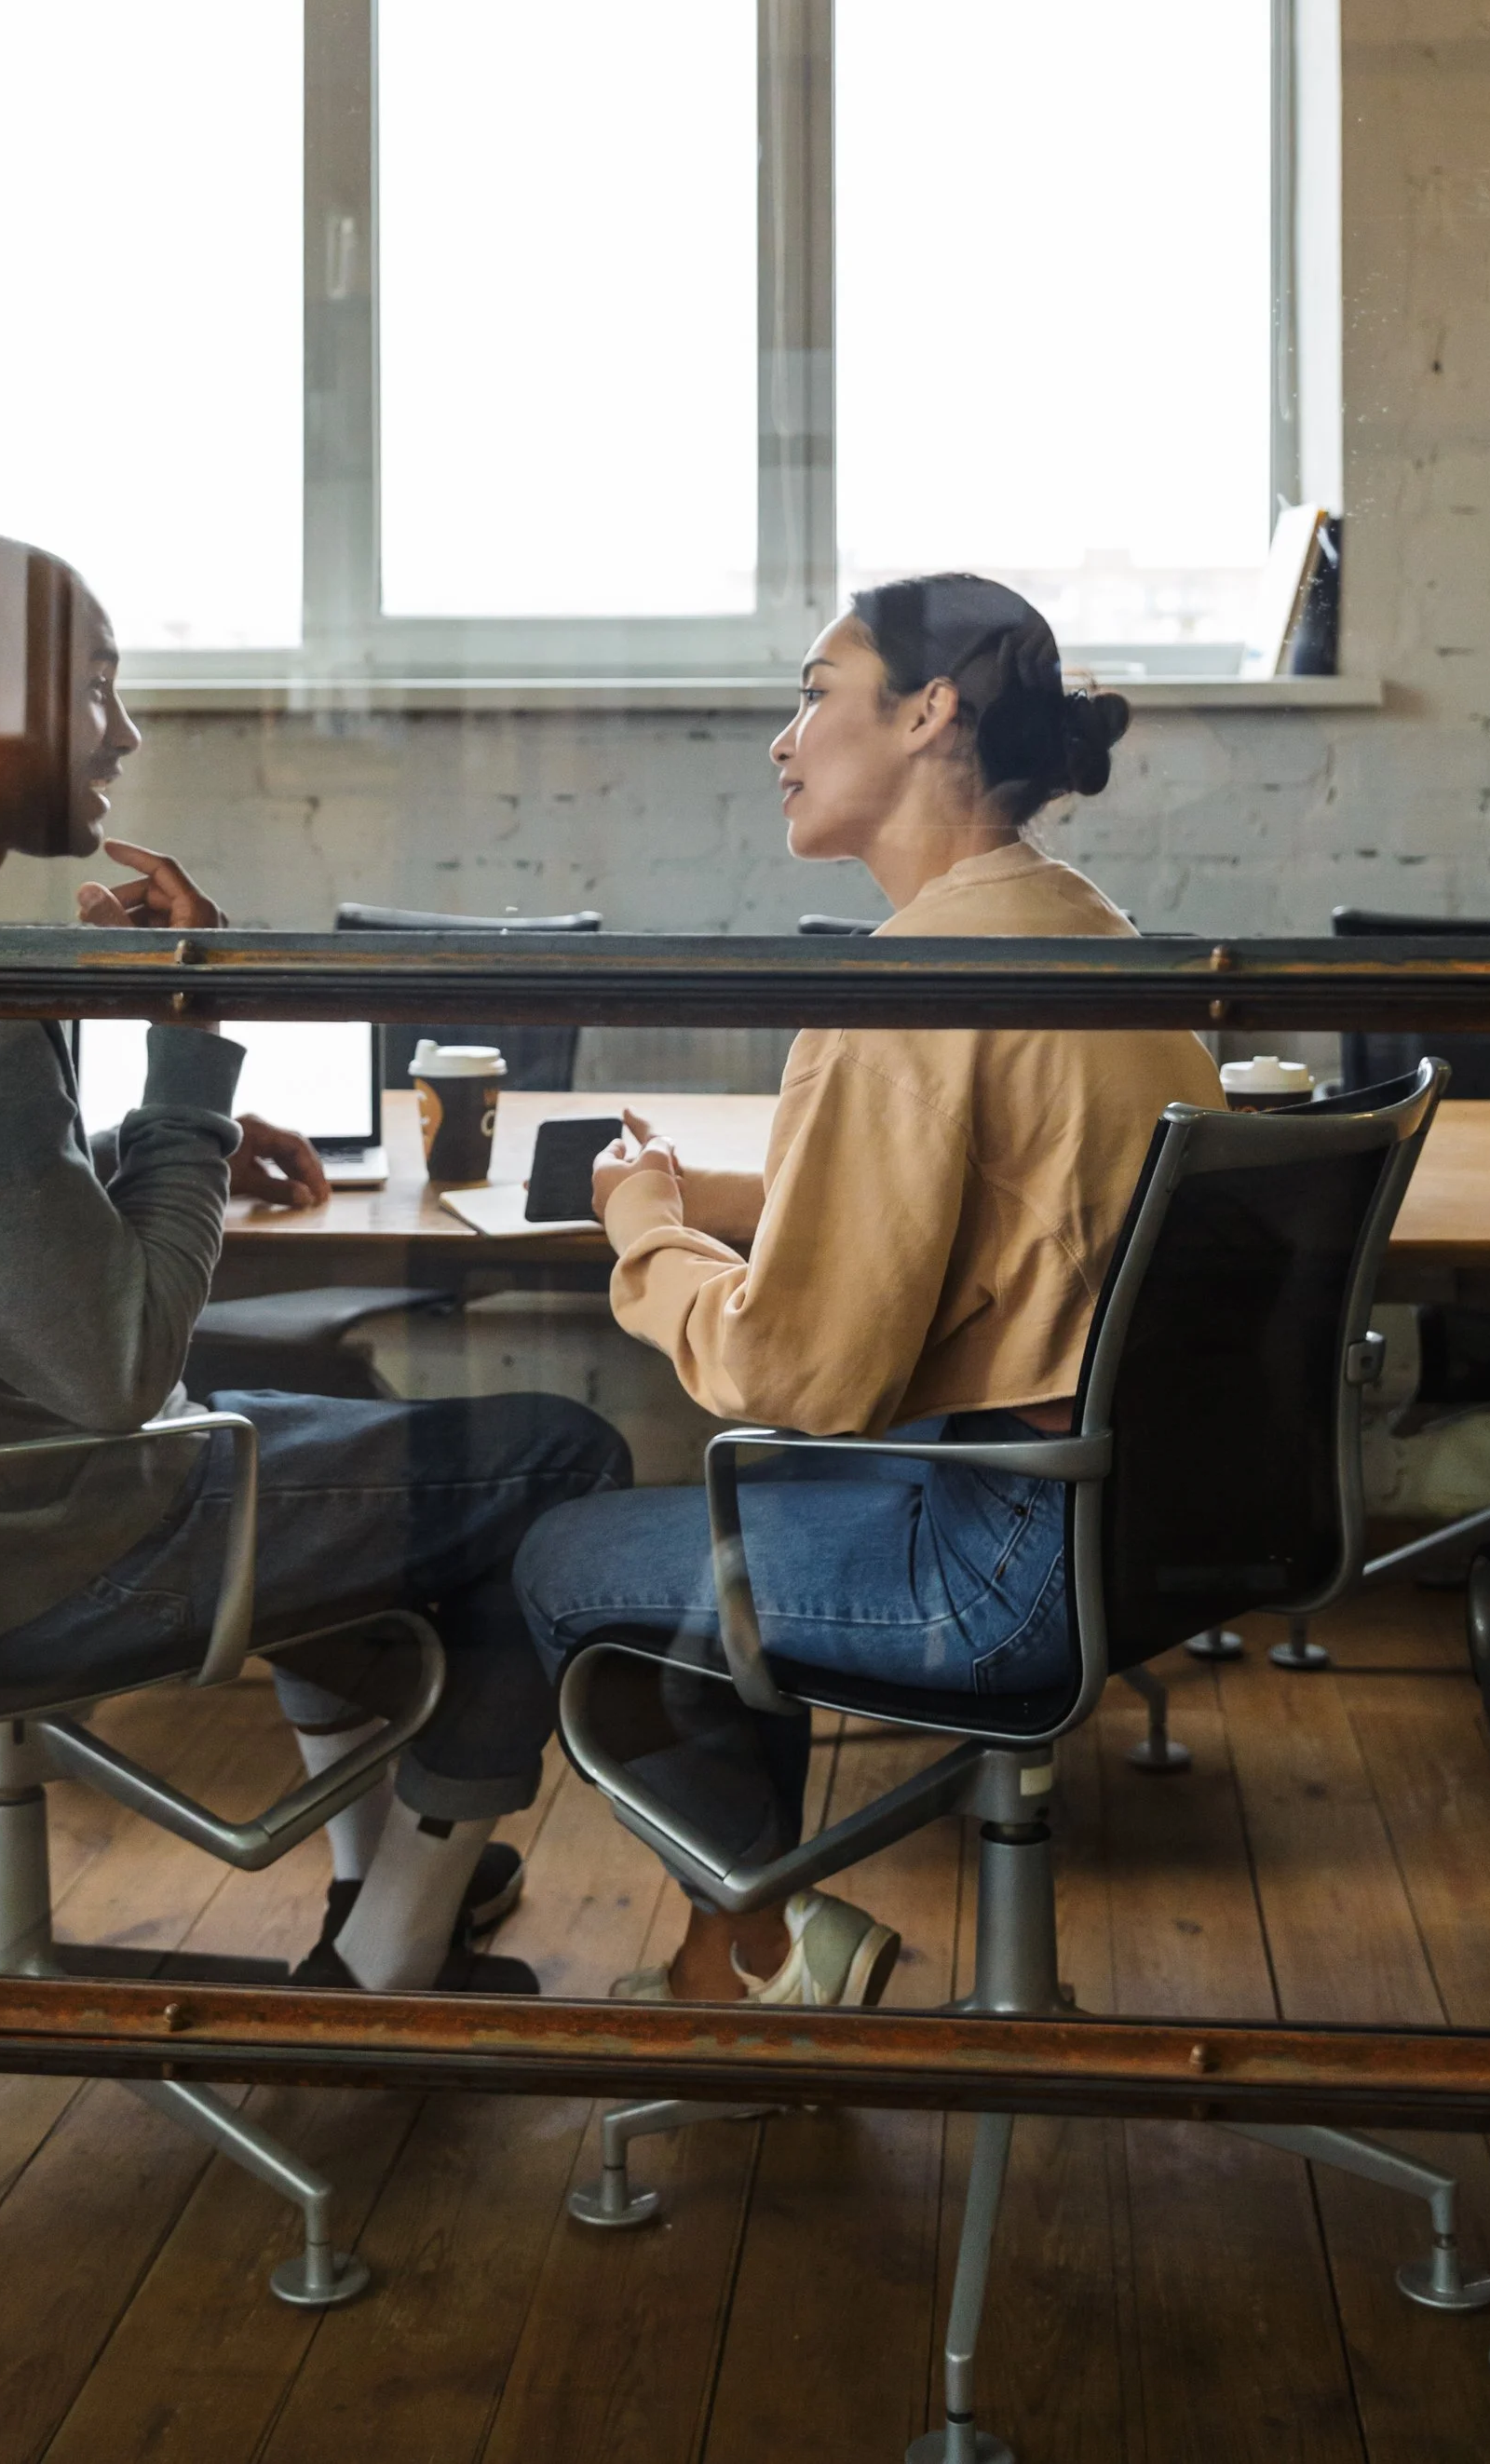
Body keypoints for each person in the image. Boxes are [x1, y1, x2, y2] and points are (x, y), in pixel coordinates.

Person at [0, 527, 629, 1994]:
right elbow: (123, 1366)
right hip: (24, 1553)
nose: (126, 732)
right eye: (98, 685)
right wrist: (185, 1058)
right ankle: (390, 1960)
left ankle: (385, 1886)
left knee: (341, 1414)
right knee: (553, 1457)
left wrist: (126, 1147)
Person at [512, 573, 1224, 2010]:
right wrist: (729, 1200)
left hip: (998, 1564)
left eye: (815, 690)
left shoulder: (903, 988)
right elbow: (1004, 1219)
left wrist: (648, 1240)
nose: (784, 737)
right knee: (708, 1543)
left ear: (928, 711)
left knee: (572, 1559)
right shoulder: (1086, 936)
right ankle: (746, 1952)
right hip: (1157, 1531)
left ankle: (762, 1943)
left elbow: (799, 1381)